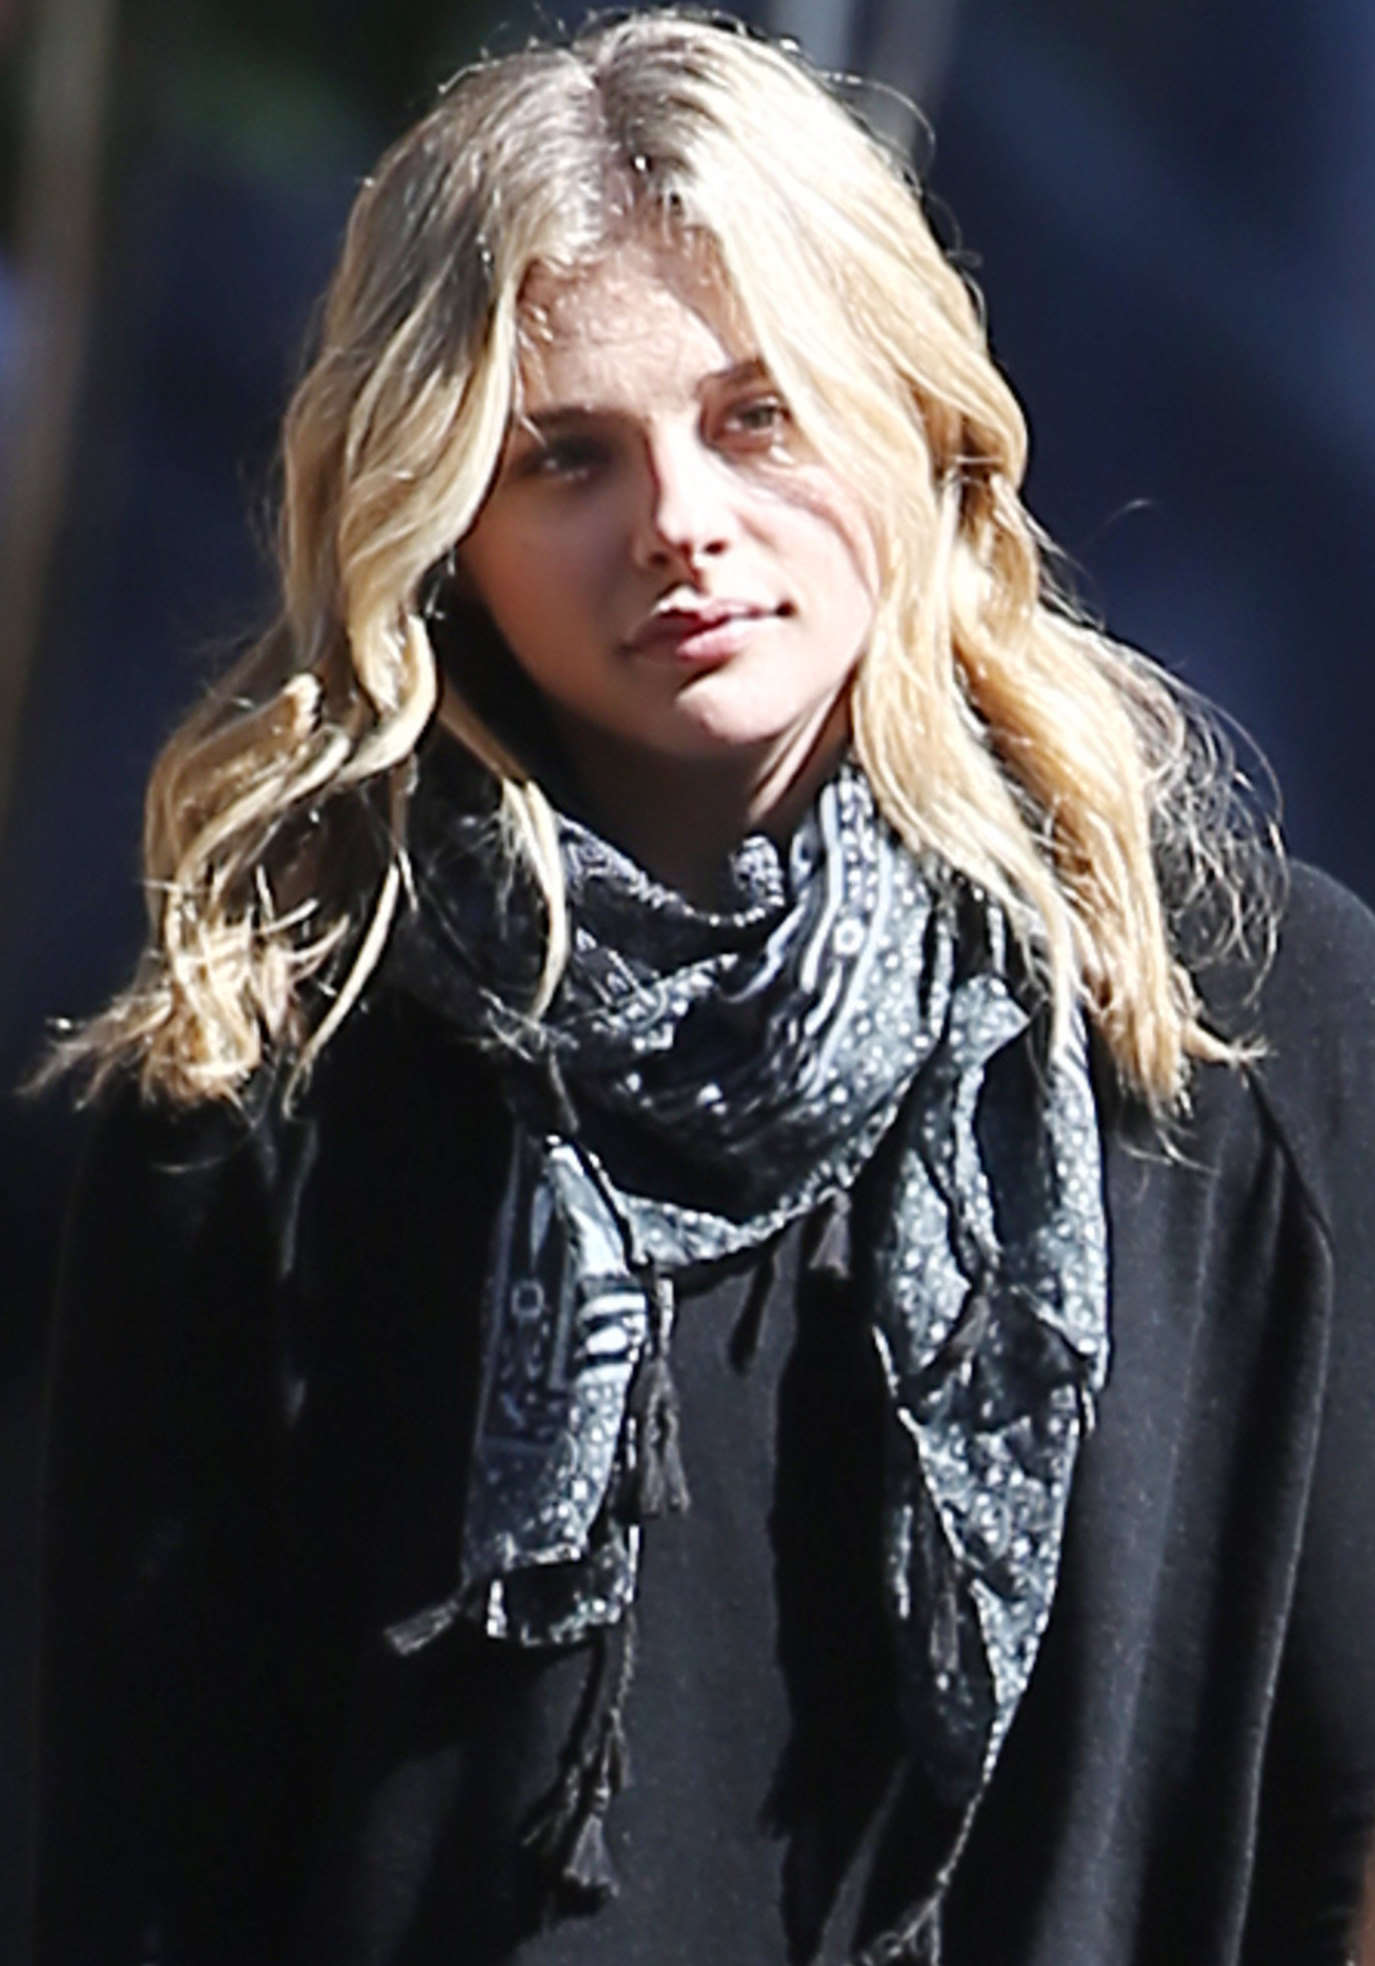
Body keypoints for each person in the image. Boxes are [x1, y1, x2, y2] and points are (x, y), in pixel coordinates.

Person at [32, 12, 1375, 1964]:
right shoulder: (272, 1072)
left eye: (758, 416)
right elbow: (139, 1859)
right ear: (437, 528)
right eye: (564, 454)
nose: (680, 521)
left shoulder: (1241, 1019)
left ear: (909, 414)